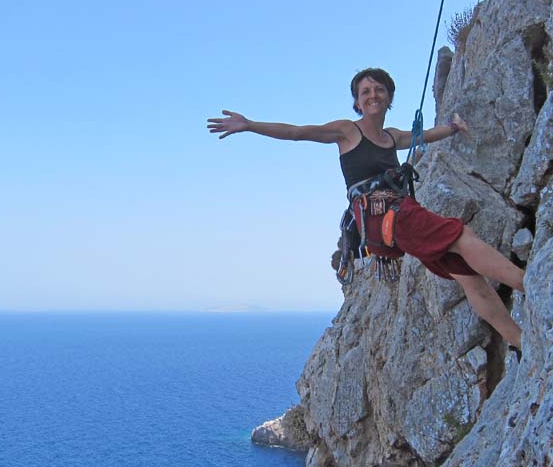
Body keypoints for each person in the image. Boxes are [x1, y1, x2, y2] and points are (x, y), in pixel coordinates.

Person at [208, 68, 524, 350]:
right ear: (357, 103)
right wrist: (250, 125)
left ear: (389, 98)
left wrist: (453, 128)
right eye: (365, 92)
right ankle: (530, 283)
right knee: (462, 236)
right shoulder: (348, 131)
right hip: (389, 216)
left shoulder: (391, 137)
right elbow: (298, 132)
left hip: (391, 221)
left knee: (469, 277)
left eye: (379, 90)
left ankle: (518, 340)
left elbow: (424, 136)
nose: (373, 95)